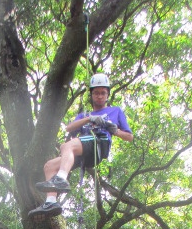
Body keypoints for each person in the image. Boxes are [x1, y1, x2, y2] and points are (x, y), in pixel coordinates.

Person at [30, 73, 133, 217]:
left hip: (99, 143)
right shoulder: (85, 114)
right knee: (49, 166)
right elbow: (69, 128)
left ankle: (60, 179)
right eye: (96, 93)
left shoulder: (115, 111)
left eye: (103, 93)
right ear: (91, 94)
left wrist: (114, 130)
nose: (99, 96)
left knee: (67, 146)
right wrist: (88, 119)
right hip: (84, 151)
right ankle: (51, 201)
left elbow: (129, 137)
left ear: (107, 94)